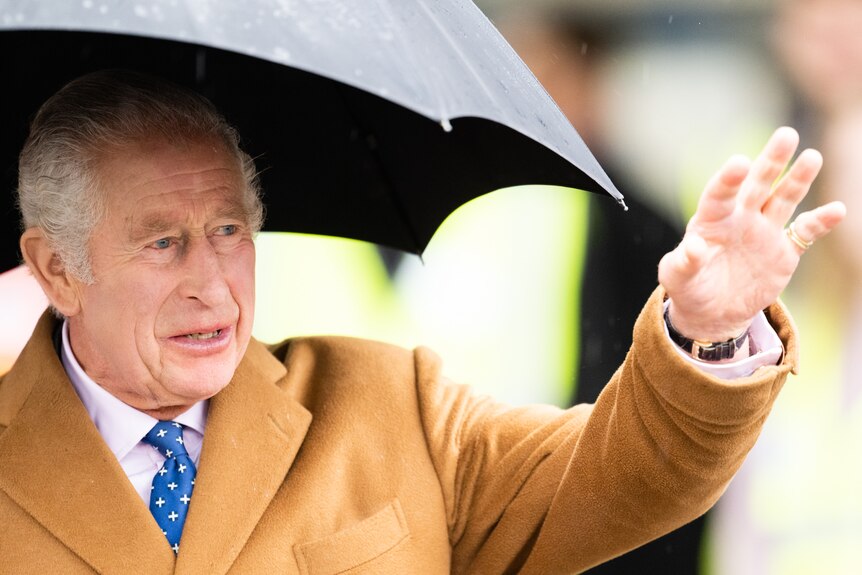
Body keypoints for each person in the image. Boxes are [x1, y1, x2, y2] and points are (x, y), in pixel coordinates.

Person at [0, 69, 844, 573]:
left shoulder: (392, 404)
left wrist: (706, 332)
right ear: (56, 270)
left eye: (229, 230)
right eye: (163, 243)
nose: (211, 282)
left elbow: (624, 473)